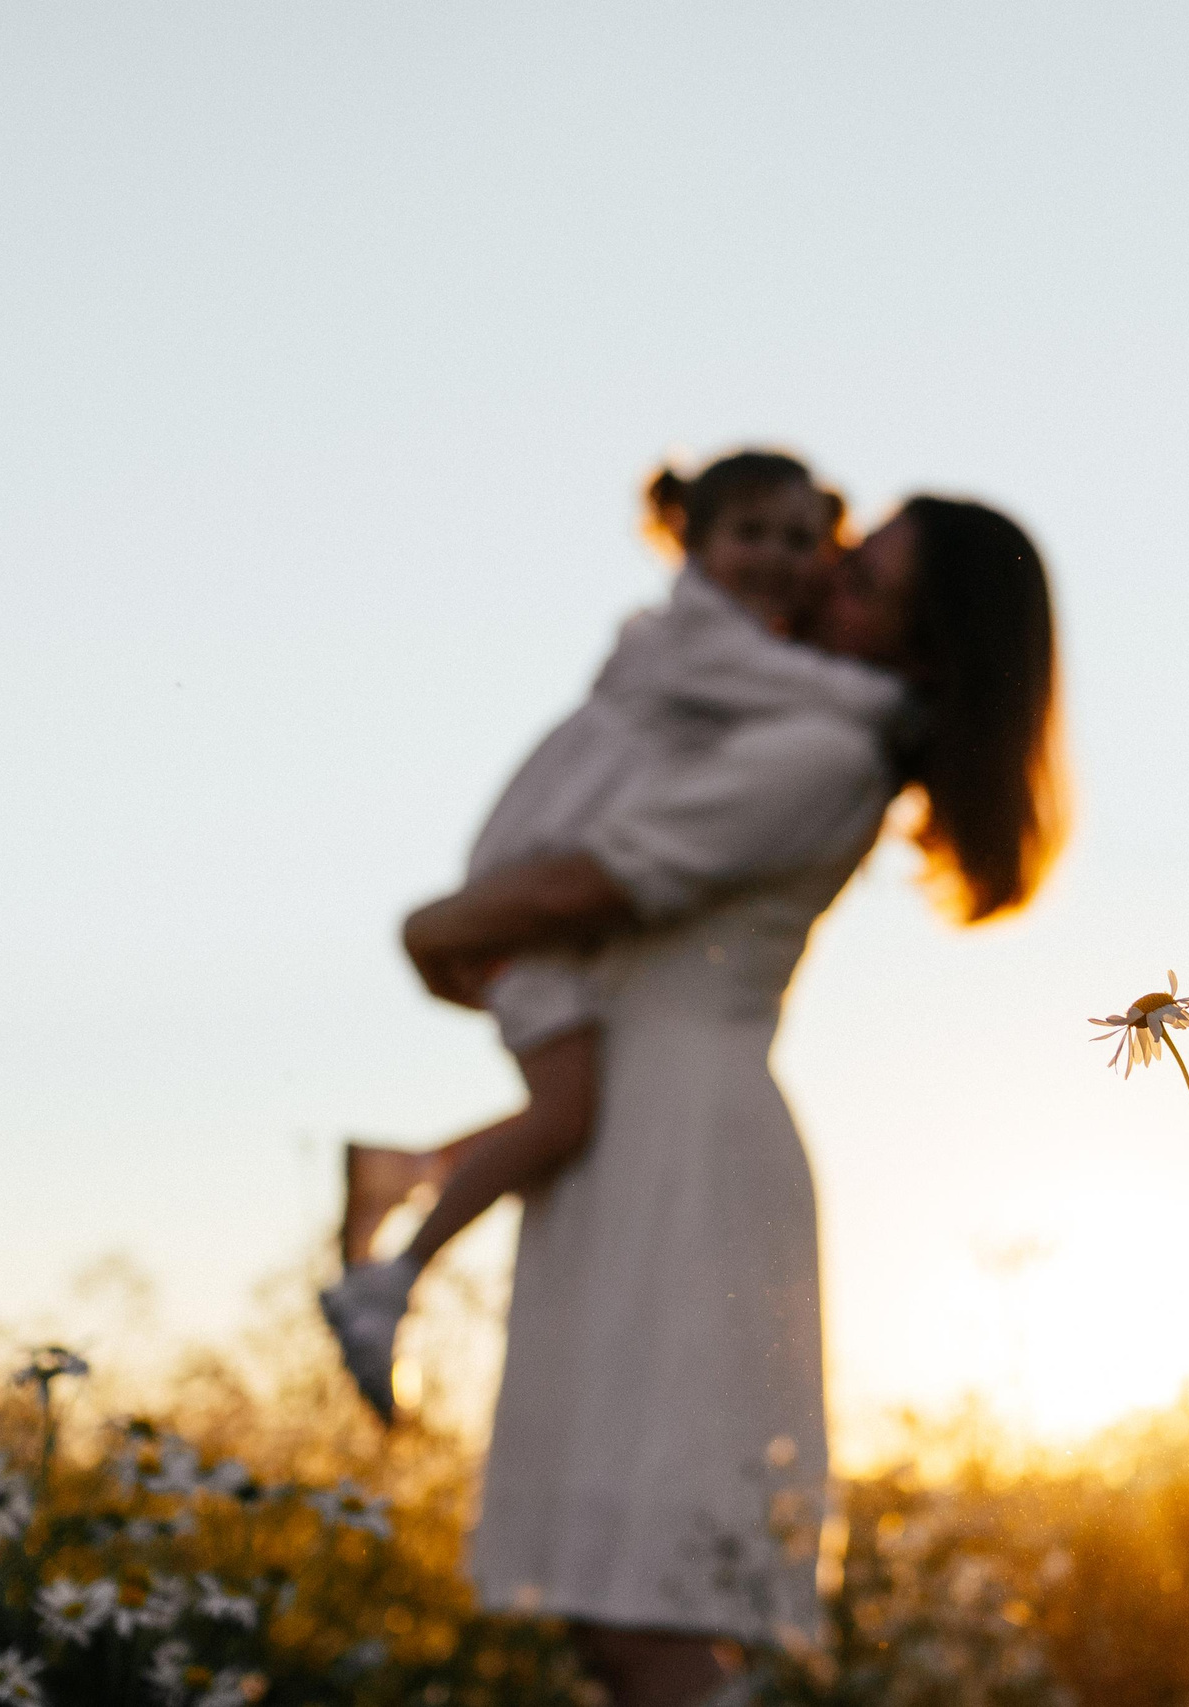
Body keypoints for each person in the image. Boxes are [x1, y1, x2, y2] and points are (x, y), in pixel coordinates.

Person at [397, 495, 1063, 1707]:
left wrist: (429, 925)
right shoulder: (796, 719)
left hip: (684, 1161)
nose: (820, 581)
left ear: (922, 651)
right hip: (634, 1133)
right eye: (842, 553)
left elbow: (585, 886)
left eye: (861, 583)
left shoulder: (820, 753)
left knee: (658, 1603)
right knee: (606, 1611)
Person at [318, 449, 862, 1421]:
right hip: (541, 887)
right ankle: (387, 1284)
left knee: (585, 1112)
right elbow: (808, 699)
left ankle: (402, 1174)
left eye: (799, 539)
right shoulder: (700, 638)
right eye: (750, 534)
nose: (776, 557)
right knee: (570, 1113)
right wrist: (902, 710)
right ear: (690, 542)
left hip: (558, 887)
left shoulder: (725, 644)